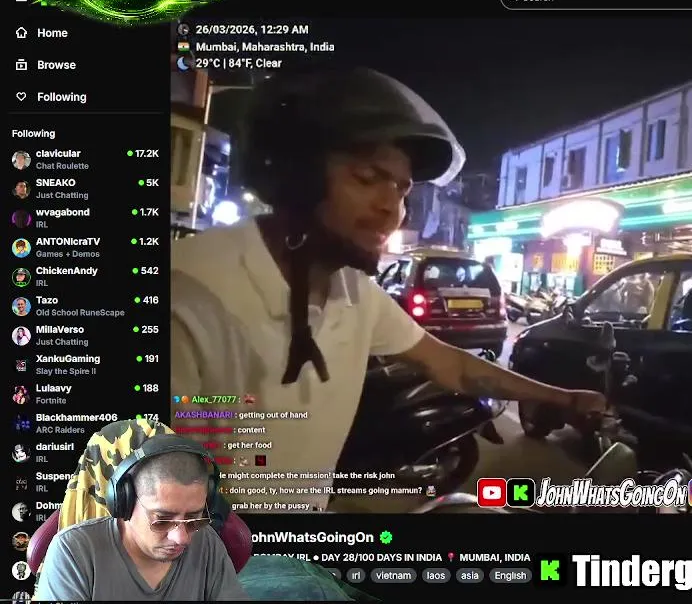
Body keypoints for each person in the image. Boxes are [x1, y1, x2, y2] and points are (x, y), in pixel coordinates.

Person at [170, 67, 607, 513]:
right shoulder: (190, 293)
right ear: (296, 178)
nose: (392, 210)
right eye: (366, 178)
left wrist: (563, 398)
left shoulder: (353, 290)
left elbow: (453, 366)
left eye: (401, 190)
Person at [33, 442, 248, 600]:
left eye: (194, 518)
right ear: (124, 504)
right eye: (162, 520)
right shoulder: (73, 551)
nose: (182, 538)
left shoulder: (207, 542)